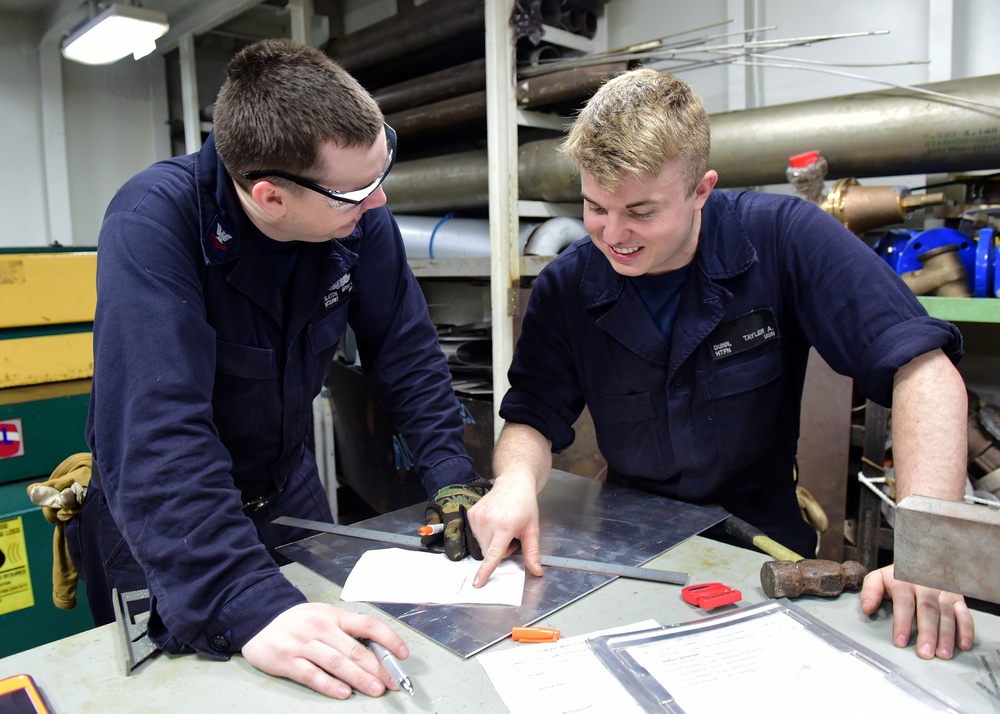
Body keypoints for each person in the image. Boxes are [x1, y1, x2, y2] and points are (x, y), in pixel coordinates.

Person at [466, 67, 974, 660]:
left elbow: (925, 369)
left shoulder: (784, 238)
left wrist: (928, 552)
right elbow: (531, 415)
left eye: (641, 211)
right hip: (633, 544)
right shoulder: (567, 287)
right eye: (595, 207)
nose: (614, 234)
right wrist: (515, 482)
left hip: (763, 546)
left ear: (702, 190)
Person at [69, 39, 484, 700]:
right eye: (354, 192)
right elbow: (156, 432)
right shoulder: (155, 223)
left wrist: (454, 479)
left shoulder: (354, 216)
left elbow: (405, 349)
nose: (378, 205)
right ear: (269, 197)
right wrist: (240, 594)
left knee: (337, 668)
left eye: (383, 171)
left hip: (286, 494)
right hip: (167, 518)